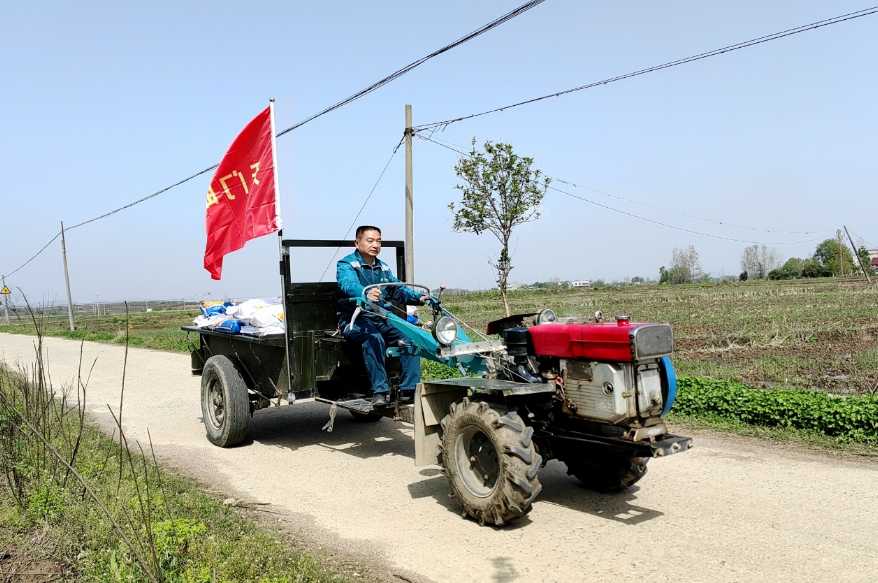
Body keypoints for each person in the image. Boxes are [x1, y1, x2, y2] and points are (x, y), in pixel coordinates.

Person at [336, 225, 426, 406]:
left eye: (378, 241)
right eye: (370, 240)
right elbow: (348, 285)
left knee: (413, 338)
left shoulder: (383, 268)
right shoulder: (346, 265)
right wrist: (364, 293)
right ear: (357, 242)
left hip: (380, 318)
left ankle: (408, 390)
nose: (375, 245)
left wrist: (419, 297)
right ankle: (380, 391)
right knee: (374, 338)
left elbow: (399, 289)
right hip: (355, 319)